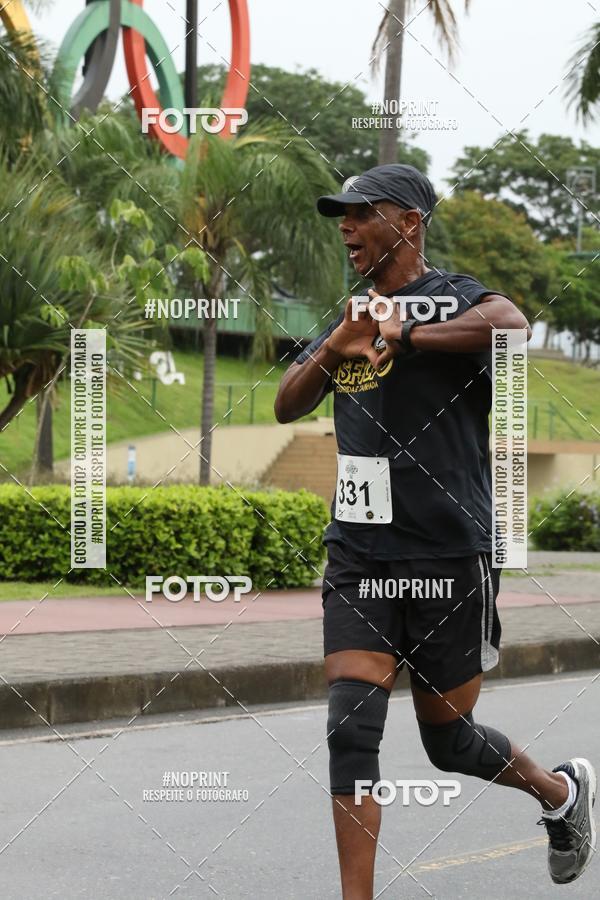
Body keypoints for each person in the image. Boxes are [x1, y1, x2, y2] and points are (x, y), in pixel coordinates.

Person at [274, 164, 596, 900]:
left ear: (410, 222)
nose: (347, 229)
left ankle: (560, 794)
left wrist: (407, 333)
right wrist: (334, 347)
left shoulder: (454, 296)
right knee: (350, 729)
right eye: (342, 216)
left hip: (448, 551)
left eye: (362, 213)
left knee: (448, 740)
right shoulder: (349, 312)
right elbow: (287, 406)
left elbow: (513, 327)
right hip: (359, 554)